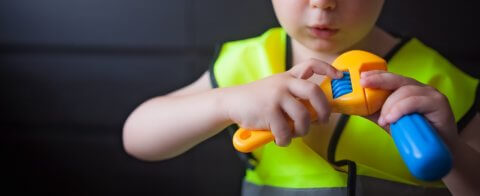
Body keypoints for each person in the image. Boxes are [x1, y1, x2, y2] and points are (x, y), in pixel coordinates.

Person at [122, 0, 480, 195]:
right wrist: (226, 102)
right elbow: (137, 137)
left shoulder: (436, 83)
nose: (323, 3)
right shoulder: (246, 64)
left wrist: (453, 152)